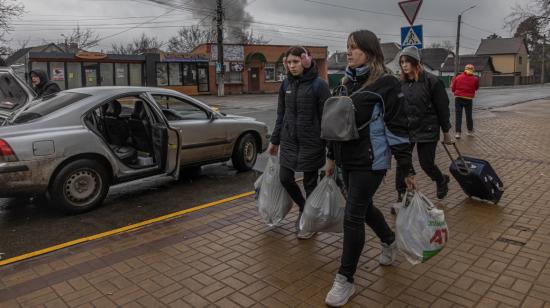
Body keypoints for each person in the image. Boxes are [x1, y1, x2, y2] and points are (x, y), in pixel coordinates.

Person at [323, 30, 416, 306]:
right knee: (361, 208)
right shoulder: (344, 83)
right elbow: (334, 126)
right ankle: (388, 239)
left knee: (352, 215)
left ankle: (345, 279)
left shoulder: (386, 83)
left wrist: (407, 169)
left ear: (370, 51)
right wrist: (330, 157)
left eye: (354, 48)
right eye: (347, 47)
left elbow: (398, 129)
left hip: (371, 161)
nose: (349, 52)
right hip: (346, 160)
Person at [267, 46, 331, 240]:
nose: (292, 66)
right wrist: (275, 140)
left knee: (311, 184)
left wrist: (331, 150)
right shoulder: (285, 84)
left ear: (305, 61)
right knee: (285, 178)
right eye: (289, 62)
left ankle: (309, 223)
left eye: (295, 62)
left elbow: (327, 119)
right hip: (289, 141)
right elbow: (281, 114)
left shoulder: (319, 85)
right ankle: (305, 208)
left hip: (312, 143)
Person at [394, 46, 452, 210]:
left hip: (427, 129)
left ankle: (441, 180)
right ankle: (401, 194)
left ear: (416, 63)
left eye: (407, 62)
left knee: (426, 163)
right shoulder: (402, 84)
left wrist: (446, 131)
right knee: (402, 163)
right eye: (402, 62)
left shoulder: (432, 82)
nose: (404, 65)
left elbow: (443, 108)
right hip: (407, 129)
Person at [452, 64, 479, 138]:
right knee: (469, 115)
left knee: (458, 116)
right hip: (468, 99)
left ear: (465, 69)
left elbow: (453, 88)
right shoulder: (475, 79)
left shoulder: (458, 77)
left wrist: (456, 91)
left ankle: (458, 133)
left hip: (458, 98)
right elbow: (476, 88)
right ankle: (470, 131)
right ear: (472, 70)